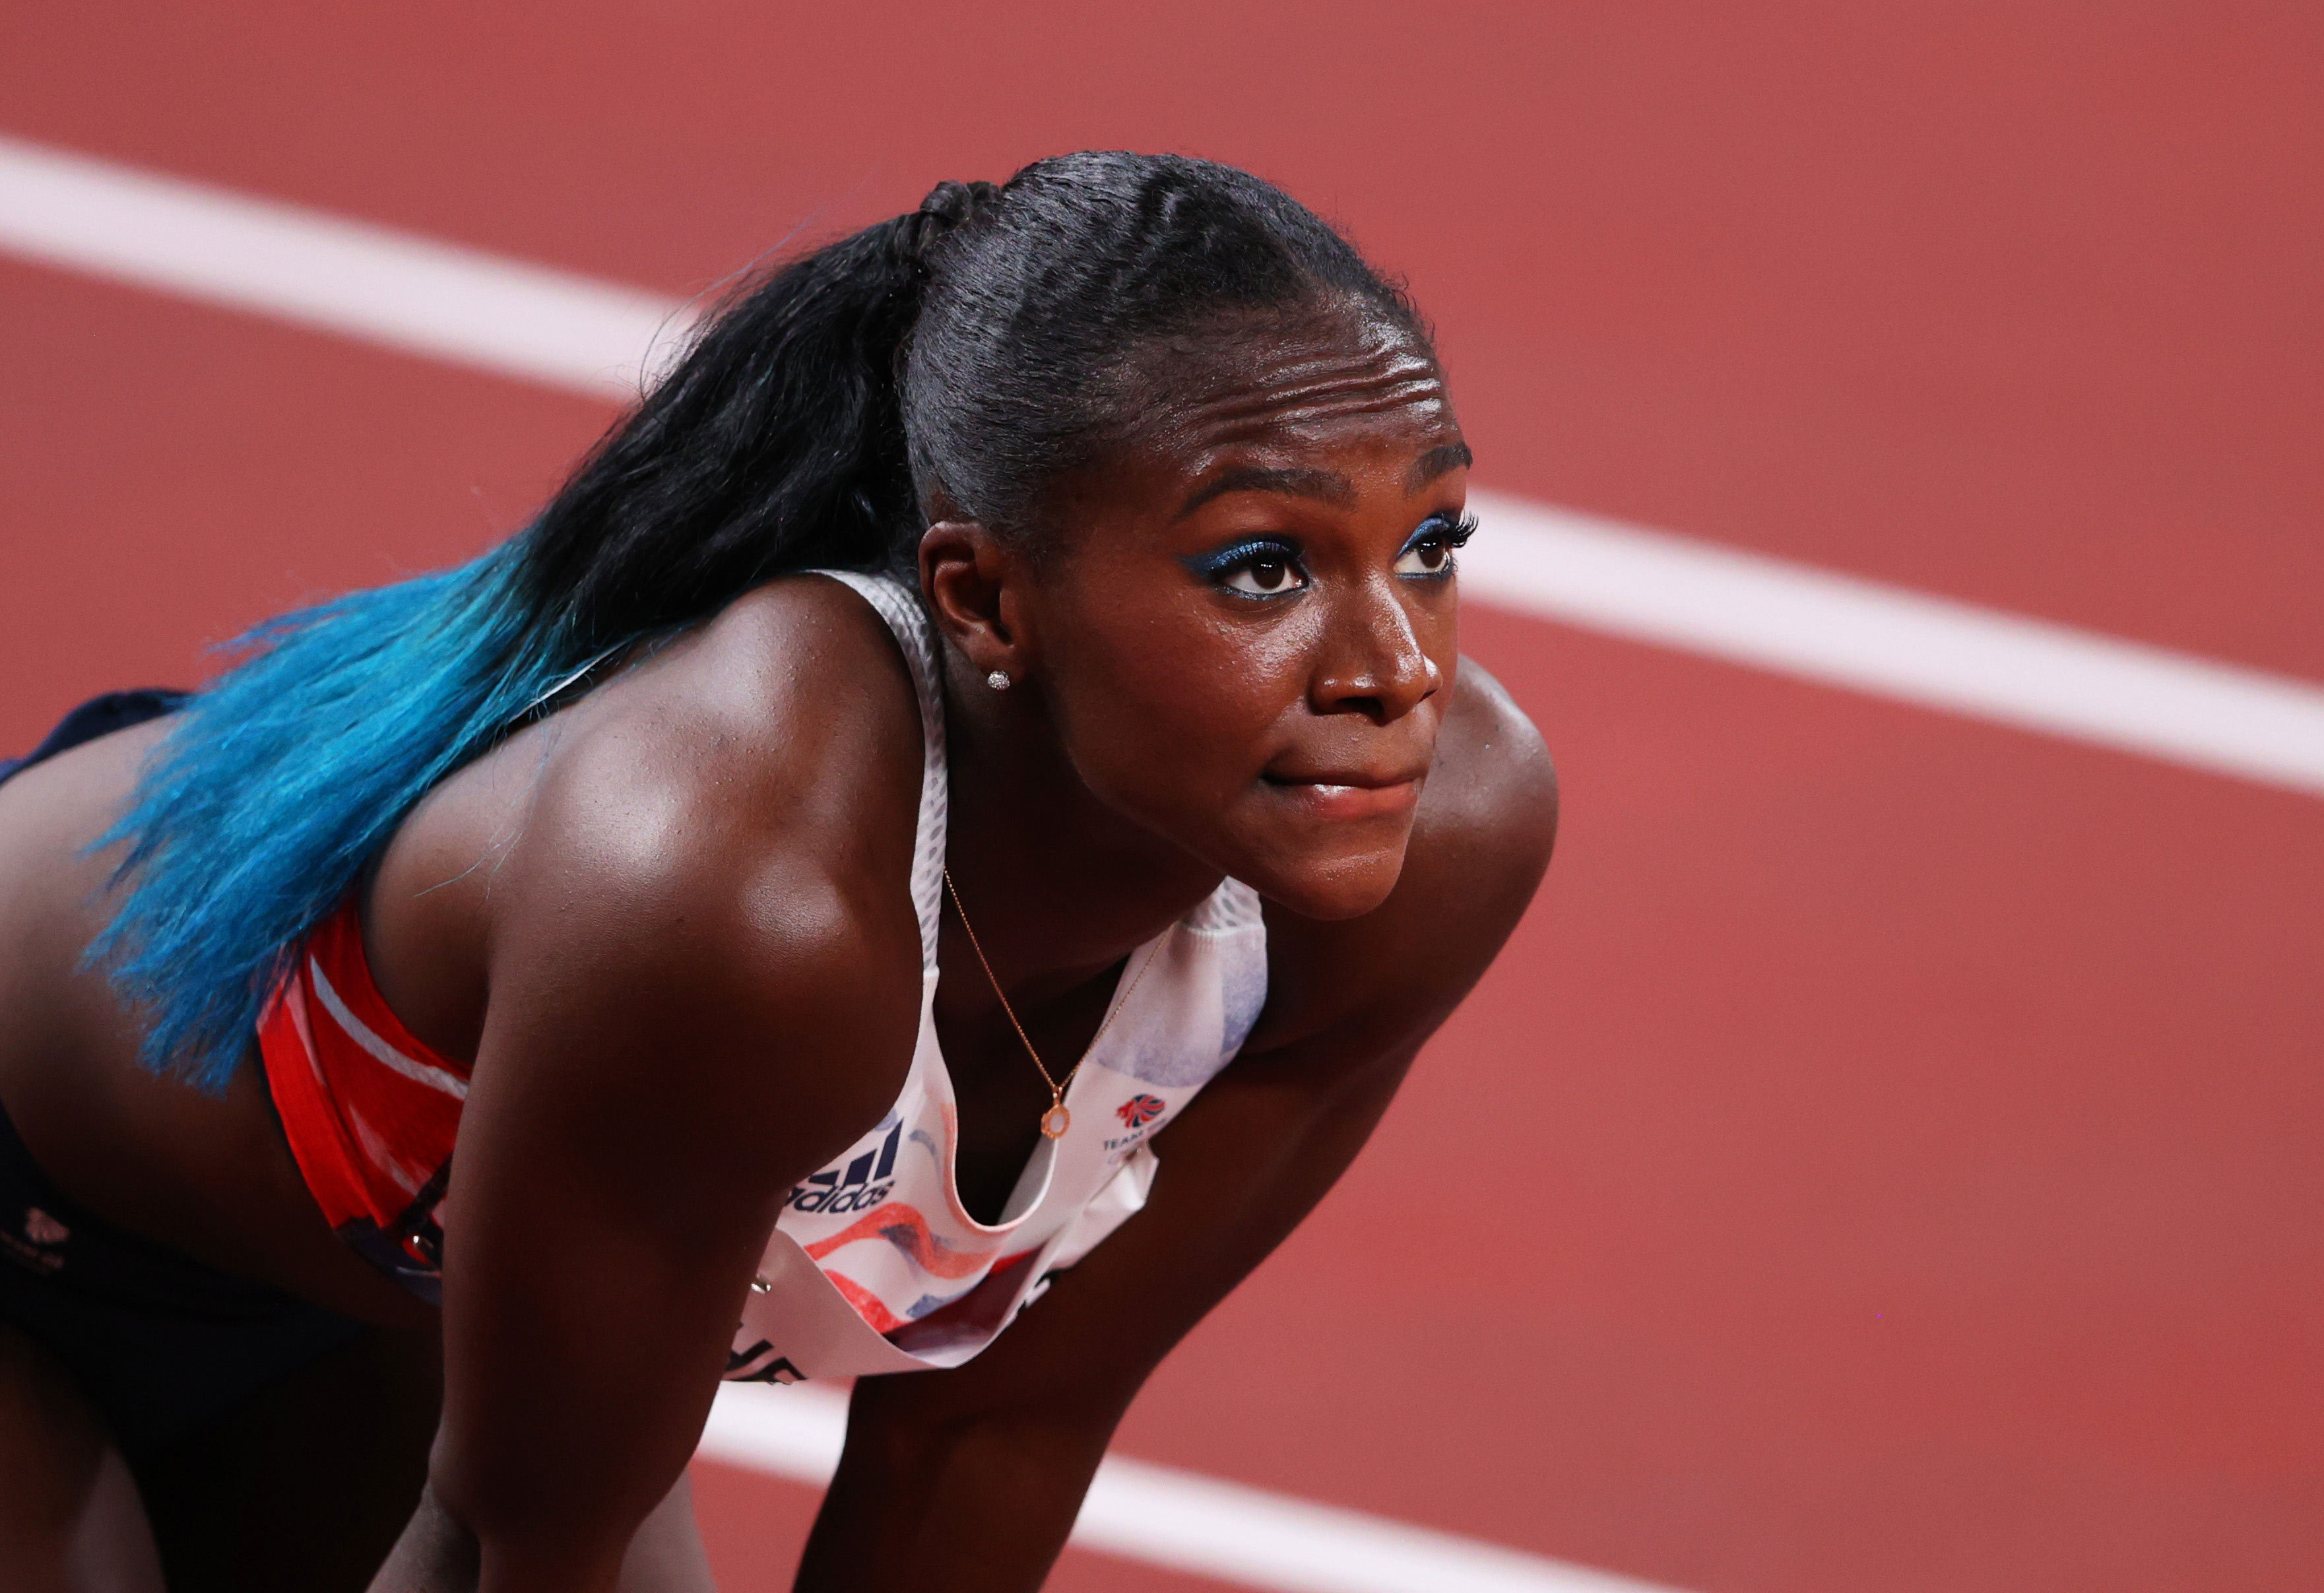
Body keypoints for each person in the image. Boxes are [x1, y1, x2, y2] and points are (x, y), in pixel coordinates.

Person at [0, 150, 1555, 1592]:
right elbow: (512, 1546)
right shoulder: (748, 902)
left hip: (347, 1317)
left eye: (1432, 542)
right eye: (1263, 568)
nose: (1395, 666)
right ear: (985, 600)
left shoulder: (1437, 847)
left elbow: (988, 1433)